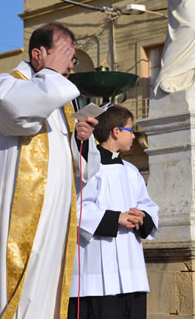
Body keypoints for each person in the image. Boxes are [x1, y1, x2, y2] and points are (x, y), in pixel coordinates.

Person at [0, 23, 101, 319]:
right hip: (14, 214)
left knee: (45, 289)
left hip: (55, 217)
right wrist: (53, 74)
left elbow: (84, 168)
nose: (69, 65)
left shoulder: (62, 104)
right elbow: (20, 115)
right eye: (64, 53)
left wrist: (81, 139)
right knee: (12, 286)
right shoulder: (5, 85)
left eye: (72, 58)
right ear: (38, 54)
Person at [67, 105, 159, 319]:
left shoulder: (131, 171)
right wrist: (116, 217)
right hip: (97, 277)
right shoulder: (87, 168)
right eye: (130, 129)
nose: (134, 136)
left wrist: (142, 217)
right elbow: (77, 210)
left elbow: (148, 205)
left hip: (132, 273)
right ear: (116, 132)